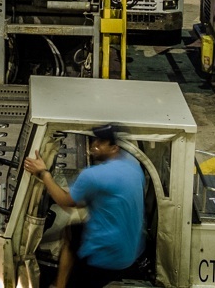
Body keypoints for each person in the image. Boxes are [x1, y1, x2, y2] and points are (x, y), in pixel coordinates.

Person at [23, 123, 145, 288]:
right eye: (95, 141)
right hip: (129, 249)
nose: (94, 146)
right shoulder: (133, 167)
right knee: (72, 231)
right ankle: (60, 284)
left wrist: (44, 174)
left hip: (105, 256)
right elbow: (95, 198)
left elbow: (66, 203)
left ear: (114, 147)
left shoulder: (94, 175)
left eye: (101, 143)